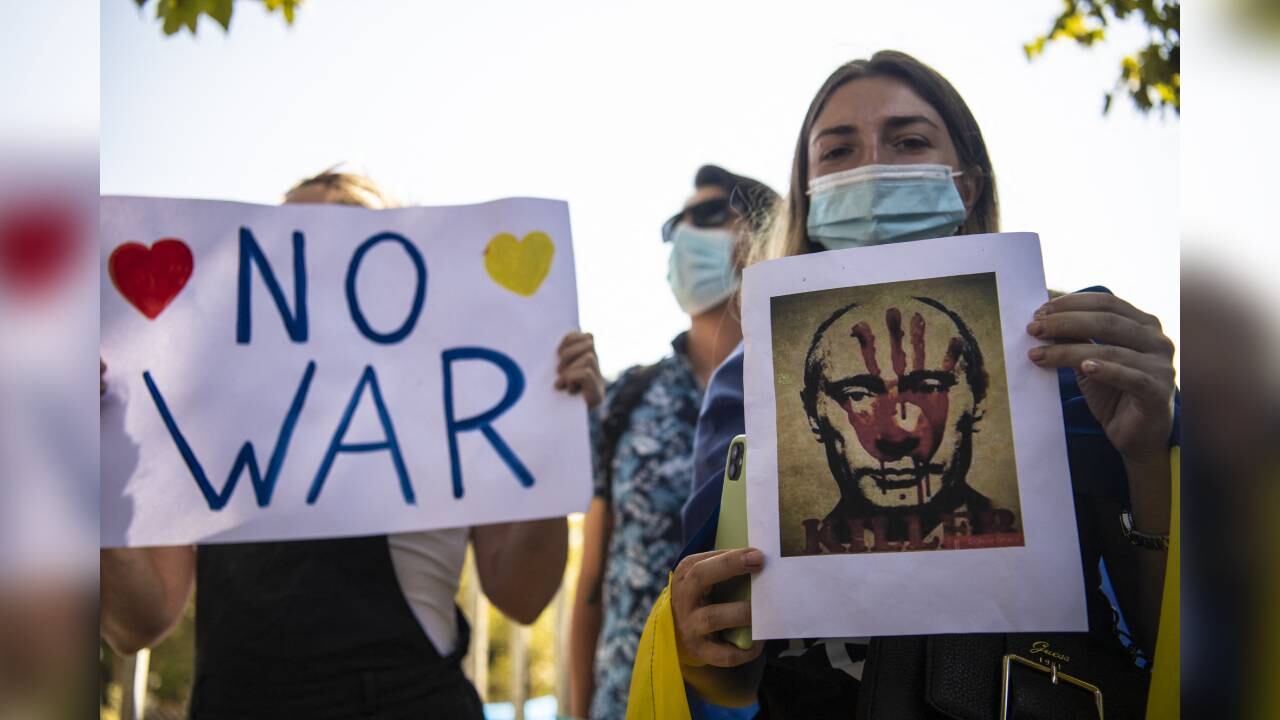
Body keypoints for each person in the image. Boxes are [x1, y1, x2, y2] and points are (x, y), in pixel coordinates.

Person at [630, 51, 1178, 719]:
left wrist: (1151, 457)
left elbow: (1171, 640)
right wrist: (700, 644)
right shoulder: (747, 378)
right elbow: (733, 682)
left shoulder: (1072, 352)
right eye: (837, 151)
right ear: (805, 193)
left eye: (909, 141)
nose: (872, 167)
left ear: (967, 184)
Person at [99, 169, 605, 719]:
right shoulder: (210, 420)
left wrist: (551, 435)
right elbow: (136, 624)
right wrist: (92, 477)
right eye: (289, 240)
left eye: (338, 242)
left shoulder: (451, 399)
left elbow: (524, 597)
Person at [568, 165, 778, 720]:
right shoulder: (628, 399)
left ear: (766, 234)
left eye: (709, 216)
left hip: (760, 700)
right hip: (628, 699)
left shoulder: (805, 387)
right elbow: (592, 581)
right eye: (673, 226)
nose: (685, 236)